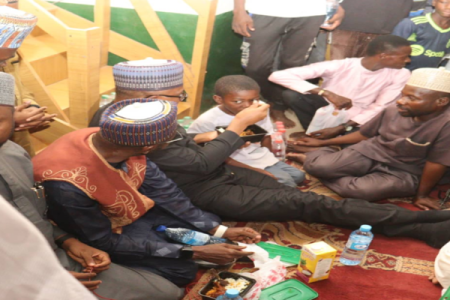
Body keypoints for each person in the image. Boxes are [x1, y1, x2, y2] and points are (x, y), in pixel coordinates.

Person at [90, 58, 450, 250]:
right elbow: (196, 164)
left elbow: (185, 148)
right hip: (199, 191)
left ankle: (424, 226)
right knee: (313, 205)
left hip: (217, 173)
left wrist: (211, 135)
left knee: (297, 196)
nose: (180, 103)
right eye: (177, 96)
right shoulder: (127, 124)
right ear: (153, 98)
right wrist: (236, 127)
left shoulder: (148, 112)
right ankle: (423, 229)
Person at [34, 98, 264, 287]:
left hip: (128, 212)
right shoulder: (66, 185)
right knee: (181, 270)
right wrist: (192, 252)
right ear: (148, 147)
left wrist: (220, 230)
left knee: (207, 223)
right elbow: (102, 240)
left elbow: (166, 193)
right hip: (96, 230)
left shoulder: (120, 138)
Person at [0, 73, 184, 300]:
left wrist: (68, 242)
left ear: (14, 118)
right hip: (13, 277)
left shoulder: (13, 154)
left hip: (54, 255)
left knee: (168, 292)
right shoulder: (66, 182)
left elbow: (31, 217)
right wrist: (30, 280)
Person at [291, 68, 450, 211]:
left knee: (359, 192)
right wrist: (323, 143)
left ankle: (320, 162)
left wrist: (422, 195)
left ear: (441, 102)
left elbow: (436, 164)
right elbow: (365, 134)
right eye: (403, 95)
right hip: (370, 152)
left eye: (412, 98)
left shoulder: (446, 124)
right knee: (320, 167)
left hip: (405, 170)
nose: (401, 101)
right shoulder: (394, 108)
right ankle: (323, 158)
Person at [269, 35, 411, 140]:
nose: (408, 60)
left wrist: (343, 127)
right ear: (384, 56)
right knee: (292, 95)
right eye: (404, 57)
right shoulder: (342, 65)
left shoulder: (401, 74)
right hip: (327, 107)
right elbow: (277, 76)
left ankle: (329, 136)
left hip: (360, 116)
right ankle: (312, 132)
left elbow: (380, 107)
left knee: (358, 140)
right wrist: (326, 93)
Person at [233, 0, 345, 128]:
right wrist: (238, 10)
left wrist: (337, 5)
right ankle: (265, 99)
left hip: (312, 12)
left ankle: (278, 105)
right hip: (264, 9)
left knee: (292, 66)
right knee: (255, 67)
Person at [187, 75, 305, 188]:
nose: (248, 105)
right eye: (238, 101)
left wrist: (271, 158)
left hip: (256, 154)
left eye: (254, 99)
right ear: (218, 99)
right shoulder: (207, 120)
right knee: (287, 183)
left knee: (299, 176)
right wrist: (257, 171)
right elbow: (209, 154)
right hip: (231, 161)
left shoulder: (259, 107)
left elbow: (266, 135)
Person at [0, 4, 56, 156]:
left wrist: (30, 108)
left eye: (8, 58)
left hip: (17, 146)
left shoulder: (7, 57)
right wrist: (10, 120)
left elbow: (19, 88)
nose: (4, 65)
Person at [329, 0, 417, 60]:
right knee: (335, 73)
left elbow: (419, 7)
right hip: (346, 25)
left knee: (372, 77)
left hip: (388, 30)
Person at [393, 0, 450, 70]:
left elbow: (446, 56)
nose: (448, 7)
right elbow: (391, 51)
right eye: (444, 2)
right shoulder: (411, 23)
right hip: (402, 74)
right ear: (434, 2)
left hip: (428, 76)